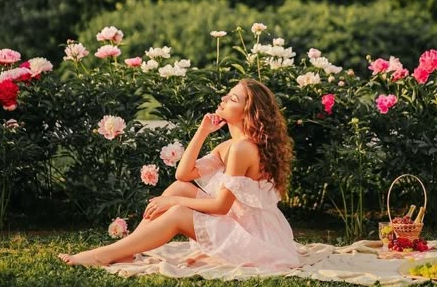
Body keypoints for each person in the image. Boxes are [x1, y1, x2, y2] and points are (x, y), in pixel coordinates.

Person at [58, 78, 300, 270]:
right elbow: (183, 175)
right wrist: (203, 131)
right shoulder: (229, 146)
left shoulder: (242, 149)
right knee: (179, 189)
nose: (224, 99)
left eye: (233, 98)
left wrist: (173, 202)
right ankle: (126, 250)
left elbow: (221, 207)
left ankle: (105, 255)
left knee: (177, 210)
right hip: (241, 221)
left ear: (248, 112)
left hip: (255, 237)